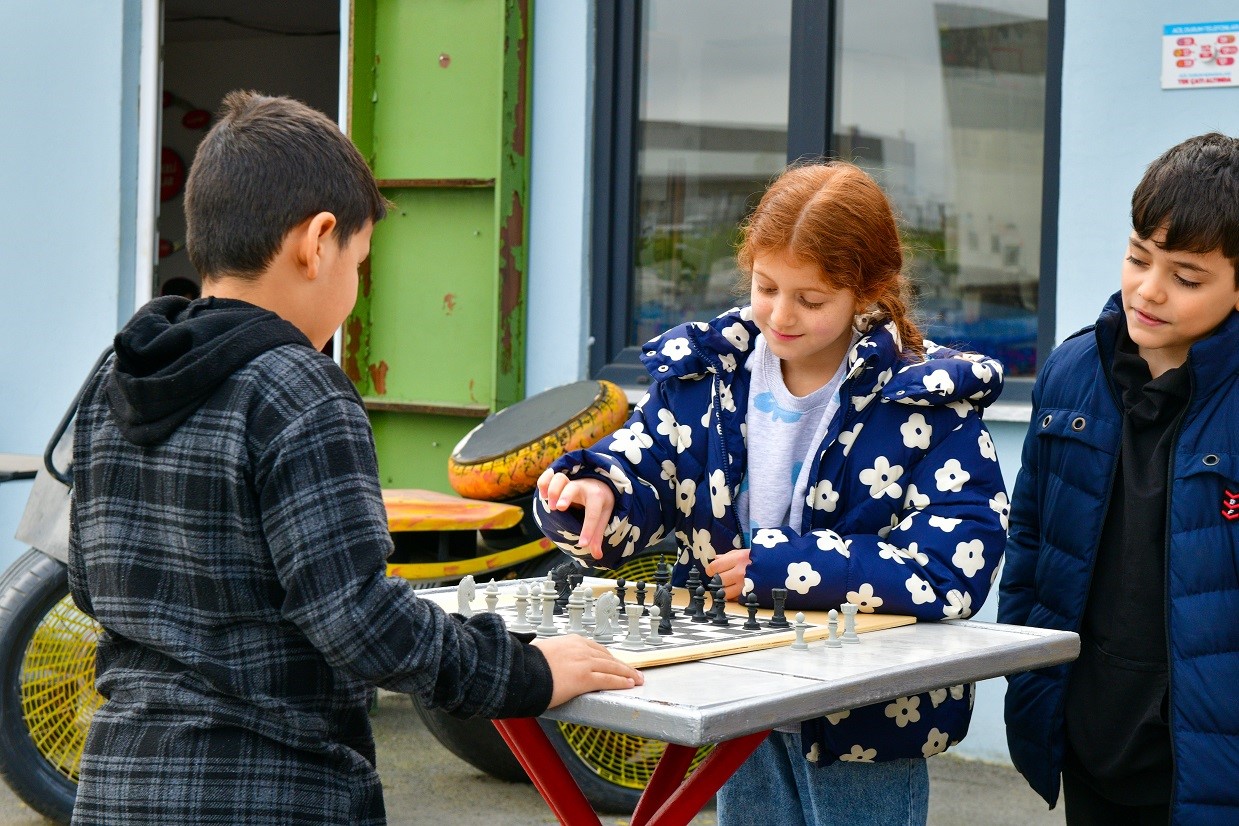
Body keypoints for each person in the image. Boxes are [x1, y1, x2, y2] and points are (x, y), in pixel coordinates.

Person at [67, 90, 642, 826]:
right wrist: (525, 672)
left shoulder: (116, 377)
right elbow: (360, 622)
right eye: (360, 261)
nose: (356, 286)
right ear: (317, 241)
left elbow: (88, 582)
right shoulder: (298, 388)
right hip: (272, 792)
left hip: (118, 785)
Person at [535, 161, 1008, 825]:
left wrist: (784, 567)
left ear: (867, 291)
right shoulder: (706, 373)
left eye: (810, 299)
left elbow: (952, 567)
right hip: (736, 690)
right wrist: (593, 493)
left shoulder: (925, 403)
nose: (780, 316)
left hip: (865, 715)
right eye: (765, 287)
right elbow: (642, 467)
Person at [999, 132, 1239, 824]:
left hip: (1208, 761)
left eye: (1186, 277)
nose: (1148, 289)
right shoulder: (1070, 373)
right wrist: (1031, 684)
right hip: (1089, 738)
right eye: (1137, 257)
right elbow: (1029, 551)